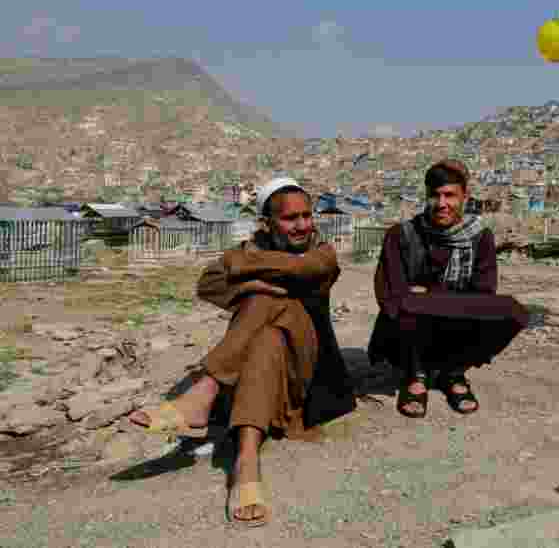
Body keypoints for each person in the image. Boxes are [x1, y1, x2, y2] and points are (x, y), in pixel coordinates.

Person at [127, 177, 356, 527]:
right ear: (267, 223)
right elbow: (207, 284)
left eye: (307, 216)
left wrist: (245, 271)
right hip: (270, 359)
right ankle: (247, 462)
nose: (302, 225)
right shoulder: (253, 250)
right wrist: (253, 281)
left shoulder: (321, 252)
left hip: (311, 370)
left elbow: (303, 268)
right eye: (290, 218)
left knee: (265, 299)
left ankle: (202, 393)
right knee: (265, 337)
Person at [368, 159, 528, 418]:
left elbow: (483, 293)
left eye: (450, 195)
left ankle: (453, 372)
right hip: (410, 328)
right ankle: (415, 374)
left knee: (509, 311)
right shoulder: (402, 235)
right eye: (435, 195)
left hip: (457, 323)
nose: (441, 203)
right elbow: (391, 294)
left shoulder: (480, 237)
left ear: (464, 196)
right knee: (406, 307)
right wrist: (443, 299)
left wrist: (428, 295)